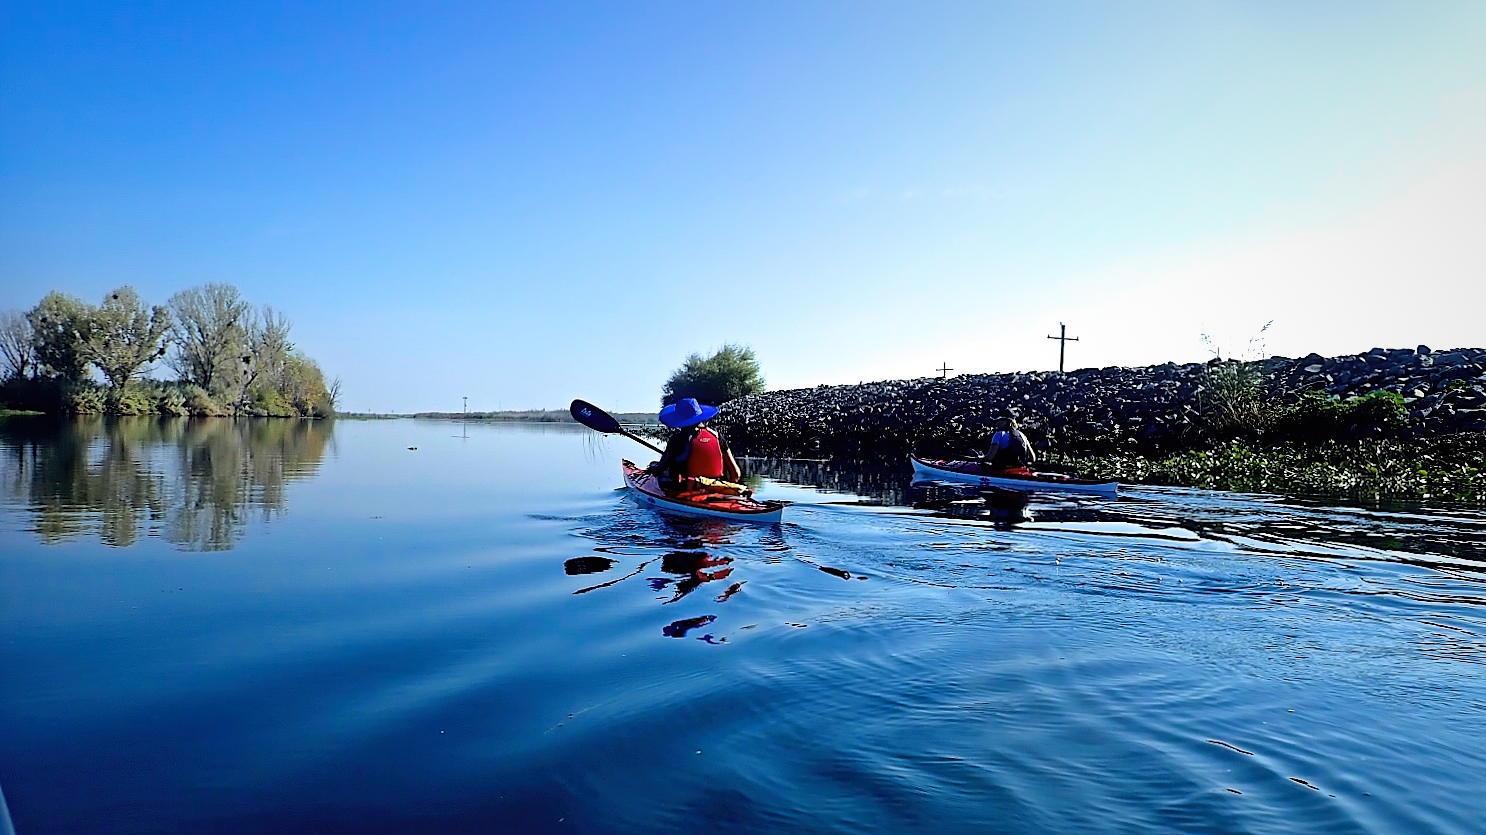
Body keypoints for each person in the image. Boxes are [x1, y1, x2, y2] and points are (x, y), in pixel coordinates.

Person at [648, 397, 744, 489]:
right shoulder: (717, 437)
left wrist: (654, 468)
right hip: (715, 486)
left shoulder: (677, 439)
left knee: (659, 471)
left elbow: (662, 467)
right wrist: (727, 491)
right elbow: (736, 474)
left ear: (680, 418)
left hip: (685, 488)